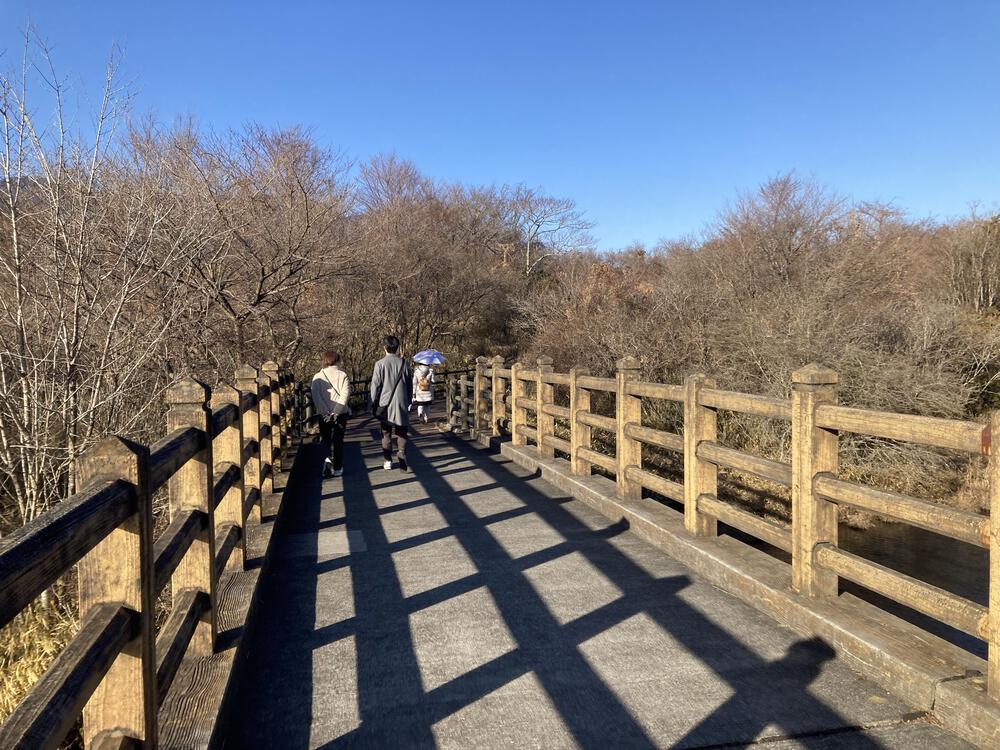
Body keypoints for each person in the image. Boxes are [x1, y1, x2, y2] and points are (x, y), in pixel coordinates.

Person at [370, 335, 412, 472]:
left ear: (384, 347)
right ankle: (401, 452)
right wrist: (409, 400)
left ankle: (388, 460)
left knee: (386, 433)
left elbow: (375, 386)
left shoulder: (380, 364)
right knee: (402, 431)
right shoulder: (404, 363)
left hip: (385, 404)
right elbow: (409, 385)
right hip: (401, 402)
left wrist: (372, 404)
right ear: (397, 347)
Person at [311, 351, 351, 478]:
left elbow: (316, 397)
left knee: (326, 439)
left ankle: (327, 461)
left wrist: (325, 412)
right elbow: (345, 395)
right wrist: (336, 411)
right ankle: (338, 468)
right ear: (337, 360)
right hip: (340, 414)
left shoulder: (317, 376)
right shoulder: (343, 375)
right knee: (338, 440)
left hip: (324, 415)